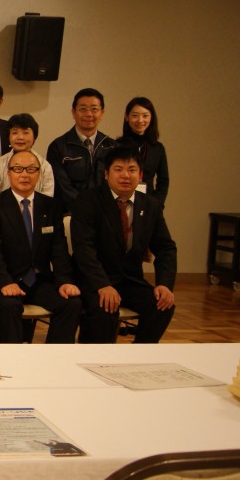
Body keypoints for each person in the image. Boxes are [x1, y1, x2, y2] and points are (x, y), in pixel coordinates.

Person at [71, 145, 177, 343]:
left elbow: (166, 248)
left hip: (129, 279)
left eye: (132, 170)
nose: (125, 175)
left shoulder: (150, 205)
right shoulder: (88, 200)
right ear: (106, 173)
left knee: (162, 306)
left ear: (140, 175)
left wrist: (164, 284)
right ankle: (95, 357)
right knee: (105, 309)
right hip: (94, 280)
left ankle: (138, 354)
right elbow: (83, 248)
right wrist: (103, 285)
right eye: (118, 169)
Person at [0, 150, 81, 343]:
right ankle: (14, 359)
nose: (24, 174)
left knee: (71, 304)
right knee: (10, 306)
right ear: (9, 173)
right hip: (5, 280)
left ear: (39, 174)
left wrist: (64, 281)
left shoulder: (51, 206)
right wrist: (4, 281)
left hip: (39, 280)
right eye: (18, 169)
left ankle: (55, 356)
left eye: (31, 169)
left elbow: (59, 249)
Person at [46, 87, 116, 212]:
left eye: (94, 109)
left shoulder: (112, 146)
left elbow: (115, 182)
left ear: (102, 114)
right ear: (73, 112)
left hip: (105, 212)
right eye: (83, 109)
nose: (89, 114)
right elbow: (62, 187)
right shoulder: (58, 147)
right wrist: (86, 208)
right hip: (70, 213)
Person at [0, 113, 55, 198]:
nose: (20, 137)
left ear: (34, 137)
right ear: (8, 136)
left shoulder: (45, 166)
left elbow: (47, 199)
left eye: (25, 133)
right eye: (15, 133)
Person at [119, 96, 169, 205]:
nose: (140, 120)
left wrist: (157, 205)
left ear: (151, 118)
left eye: (145, 116)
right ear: (127, 117)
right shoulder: (117, 145)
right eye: (135, 115)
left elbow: (163, 182)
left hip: (148, 204)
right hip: (121, 202)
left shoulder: (158, 148)